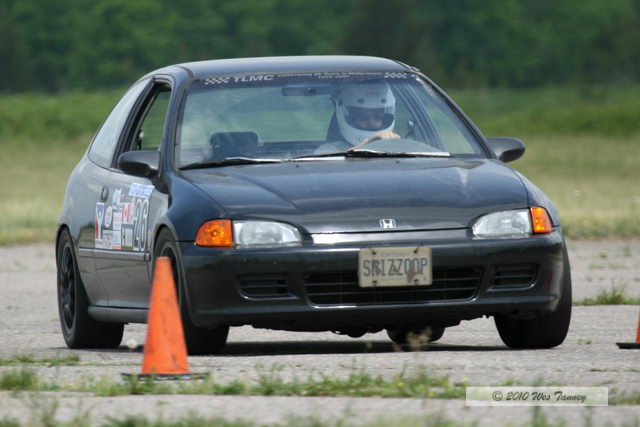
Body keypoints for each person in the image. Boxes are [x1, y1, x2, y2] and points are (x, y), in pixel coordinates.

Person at [315, 81, 400, 154]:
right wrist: (368, 143)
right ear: (351, 118)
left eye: (378, 118)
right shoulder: (328, 150)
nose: (372, 123)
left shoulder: (397, 149)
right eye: (363, 118)